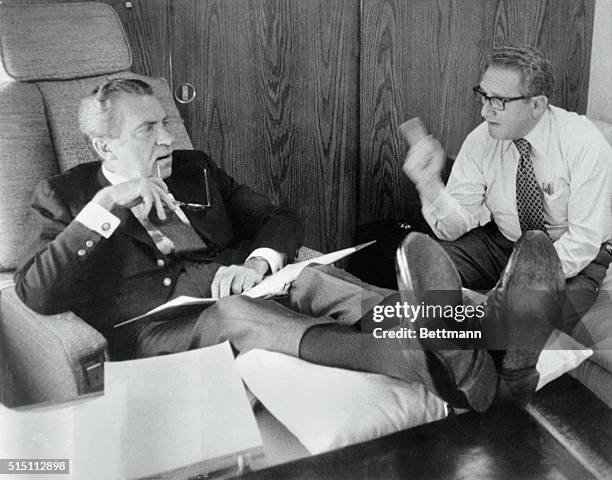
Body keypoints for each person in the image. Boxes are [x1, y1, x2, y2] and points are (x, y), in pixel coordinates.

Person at [15, 77, 558, 413]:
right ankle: (452, 364)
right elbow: (34, 292)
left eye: (164, 124)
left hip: (249, 287)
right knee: (236, 314)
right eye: (147, 131)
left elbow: (278, 217)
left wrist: (257, 261)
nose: (167, 139)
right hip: (159, 327)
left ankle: (483, 338)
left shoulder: (194, 168)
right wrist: (106, 209)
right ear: (102, 143)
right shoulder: (66, 197)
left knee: (314, 278)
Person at [402, 44, 612, 334]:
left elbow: (585, 240)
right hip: (504, 241)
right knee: (426, 271)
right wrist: (429, 183)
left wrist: (516, 284)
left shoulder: (583, 142)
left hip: (571, 253)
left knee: (530, 317)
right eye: (483, 96)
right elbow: (453, 229)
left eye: (498, 101)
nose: (485, 111)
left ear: (536, 105)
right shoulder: (481, 140)